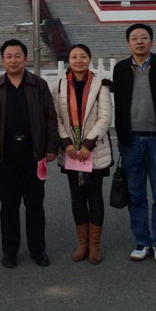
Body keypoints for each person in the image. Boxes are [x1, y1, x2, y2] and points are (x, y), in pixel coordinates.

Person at [0, 39, 59, 268]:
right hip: (6, 156)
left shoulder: (38, 85)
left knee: (35, 205)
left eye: (18, 56)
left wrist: (51, 148)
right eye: (8, 56)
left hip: (33, 154)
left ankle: (38, 249)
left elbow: (50, 118)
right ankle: (10, 251)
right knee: (8, 206)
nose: (13, 60)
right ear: (2, 60)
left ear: (26, 59)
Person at [113, 23, 156, 264]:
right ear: (128, 43)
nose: (139, 41)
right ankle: (141, 241)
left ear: (151, 41)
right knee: (136, 194)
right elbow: (119, 102)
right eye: (134, 38)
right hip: (131, 140)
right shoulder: (121, 68)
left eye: (143, 37)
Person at [52, 44, 112, 264]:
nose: (78, 60)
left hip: (94, 150)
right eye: (74, 57)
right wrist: (67, 144)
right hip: (70, 151)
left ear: (89, 59)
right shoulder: (59, 85)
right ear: (68, 60)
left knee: (94, 197)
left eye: (83, 56)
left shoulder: (100, 84)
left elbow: (105, 117)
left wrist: (87, 145)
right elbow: (55, 117)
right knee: (77, 198)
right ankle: (83, 242)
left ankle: (95, 244)